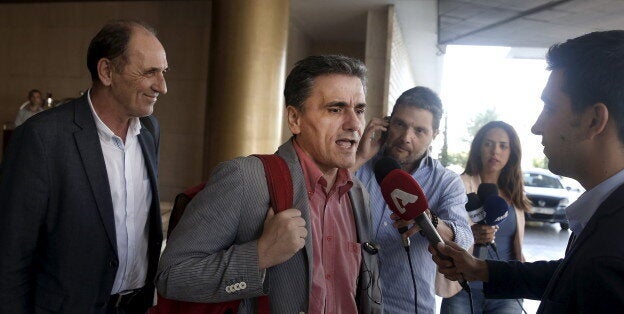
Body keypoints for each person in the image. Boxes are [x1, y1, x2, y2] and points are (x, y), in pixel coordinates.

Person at [155, 55, 382, 313]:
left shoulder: (358, 195)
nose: (354, 124)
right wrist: (259, 255)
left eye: (360, 110)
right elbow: (172, 276)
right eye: (335, 109)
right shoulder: (245, 179)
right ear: (295, 119)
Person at [430, 30, 624, 313]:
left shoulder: (614, 252)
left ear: (593, 119)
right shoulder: (608, 215)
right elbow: (572, 275)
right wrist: (481, 269)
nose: (536, 126)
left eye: (549, 107)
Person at [0, 19, 167, 314]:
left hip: (135, 306)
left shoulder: (150, 131)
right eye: (149, 72)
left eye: (163, 72)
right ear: (106, 71)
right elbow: (11, 254)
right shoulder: (43, 138)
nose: (162, 86)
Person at [354, 86, 473, 313]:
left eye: (420, 131)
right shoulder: (360, 165)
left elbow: (464, 238)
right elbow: (320, 198)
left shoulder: (446, 182)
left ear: (434, 135)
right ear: (387, 123)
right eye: (400, 124)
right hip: (347, 301)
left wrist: (428, 221)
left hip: (408, 307)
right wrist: (358, 157)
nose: (406, 138)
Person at [439, 121, 531, 314]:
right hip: (462, 288)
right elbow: (442, 232)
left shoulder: (515, 192)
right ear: (478, 148)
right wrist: (469, 235)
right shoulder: (458, 185)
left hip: (506, 288)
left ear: (511, 152)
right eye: (488, 144)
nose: (495, 151)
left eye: (503, 145)